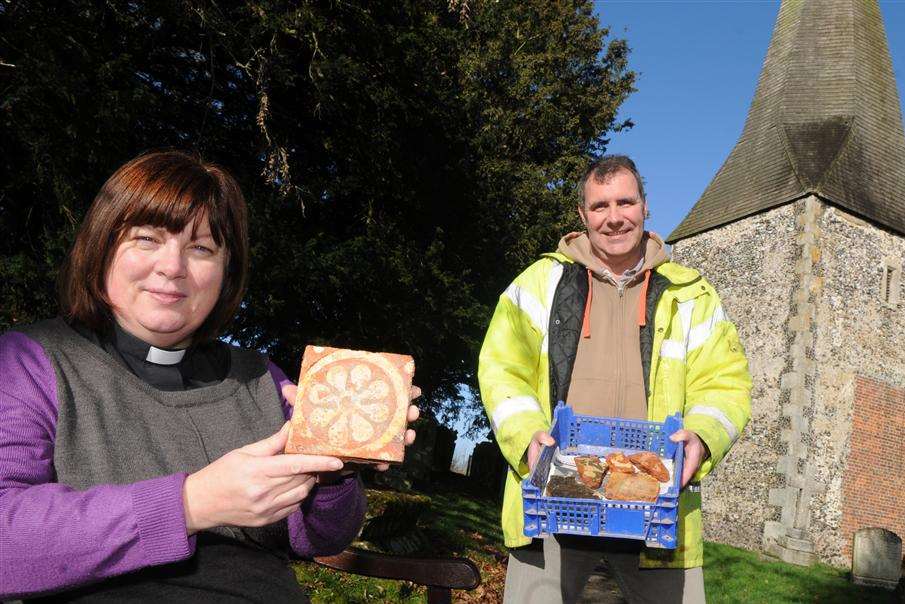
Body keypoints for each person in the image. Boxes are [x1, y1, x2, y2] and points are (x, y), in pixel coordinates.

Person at [0, 150, 419, 602]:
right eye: (147, 238)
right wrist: (189, 504)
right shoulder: (30, 361)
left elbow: (321, 538)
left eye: (201, 248)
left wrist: (337, 467)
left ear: (226, 273)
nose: (172, 267)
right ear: (102, 246)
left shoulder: (263, 380)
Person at [478, 155, 751, 603]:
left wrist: (701, 438)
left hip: (659, 516)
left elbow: (726, 382)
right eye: (600, 206)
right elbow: (500, 368)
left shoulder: (693, 295)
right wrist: (527, 437)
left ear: (645, 207)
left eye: (625, 202)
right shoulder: (538, 282)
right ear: (583, 216)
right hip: (552, 505)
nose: (614, 217)